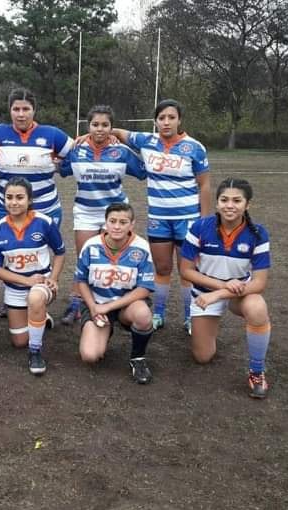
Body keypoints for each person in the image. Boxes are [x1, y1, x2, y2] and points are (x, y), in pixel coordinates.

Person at [111, 99, 211, 335]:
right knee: (162, 268)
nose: (166, 122)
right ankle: (158, 314)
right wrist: (89, 137)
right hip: (158, 218)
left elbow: (205, 185)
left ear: (179, 120)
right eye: (161, 118)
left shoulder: (194, 147)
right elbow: (115, 131)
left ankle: (189, 317)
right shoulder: (147, 141)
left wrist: (206, 223)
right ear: (155, 121)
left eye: (171, 117)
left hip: (188, 219)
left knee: (187, 270)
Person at [0, 88, 73, 317]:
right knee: (7, 251)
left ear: (34, 110)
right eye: (16, 109)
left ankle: (43, 290)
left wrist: (110, 138)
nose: (21, 114)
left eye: (26, 109)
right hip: (7, 206)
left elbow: (79, 151)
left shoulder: (52, 134)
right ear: (10, 110)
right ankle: (12, 297)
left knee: (43, 249)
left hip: (46, 205)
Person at [179, 178, 272, 399]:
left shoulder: (258, 233)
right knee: (203, 356)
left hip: (239, 294)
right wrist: (219, 287)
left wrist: (220, 294)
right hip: (204, 294)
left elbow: (259, 283)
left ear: (247, 205)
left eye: (237, 200)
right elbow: (186, 271)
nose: (230, 205)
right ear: (217, 203)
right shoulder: (200, 227)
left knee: (257, 307)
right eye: (224, 200)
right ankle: (210, 325)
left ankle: (256, 372)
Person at [59, 104, 147, 325]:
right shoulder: (76, 150)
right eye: (95, 124)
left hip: (116, 215)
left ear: (111, 127)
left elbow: (143, 171)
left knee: (114, 259)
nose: (100, 129)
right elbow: (61, 169)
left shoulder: (122, 152)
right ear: (88, 126)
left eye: (105, 125)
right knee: (85, 259)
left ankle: (120, 303)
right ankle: (76, 303)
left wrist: (125, 141)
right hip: (86, 212)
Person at [0, 178, 65, 375]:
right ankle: (42, 318)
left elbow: (60, 252)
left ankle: (35, 352)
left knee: (35, 297)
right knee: (18, 341)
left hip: (40, 285)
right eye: (9, 197)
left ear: (29, 200)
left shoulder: (44, 222)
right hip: (15, 288)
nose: (14, 202)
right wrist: (26, 281)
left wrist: (54, 278)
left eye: (20, 197)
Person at [76, 202, 156, 384]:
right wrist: (94, 307)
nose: (117, 226)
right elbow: (80, 281)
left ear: (132, 224)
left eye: (123, 222)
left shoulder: (142, 247)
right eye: (112, 221)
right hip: (97, 304)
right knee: (90, 356)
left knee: (143, 316)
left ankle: (138, 358)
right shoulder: (91, 245)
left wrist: (109, 307)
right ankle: (105, 329)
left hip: (126, 305)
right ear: (105, 223)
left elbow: (144, 288)